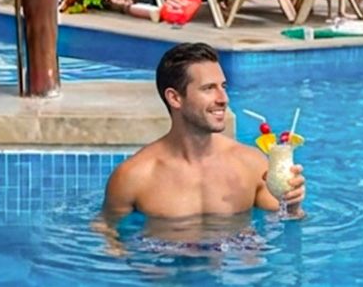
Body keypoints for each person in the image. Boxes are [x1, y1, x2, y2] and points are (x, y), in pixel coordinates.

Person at [102, 43, 304, 221]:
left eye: (223, 86)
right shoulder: (134, 177)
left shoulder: (252, 165)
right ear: (175, 98)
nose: (223, 98)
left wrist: (293, 208)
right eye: (208, 88)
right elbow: (109, 237)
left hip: (234, 262)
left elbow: (283, 227)